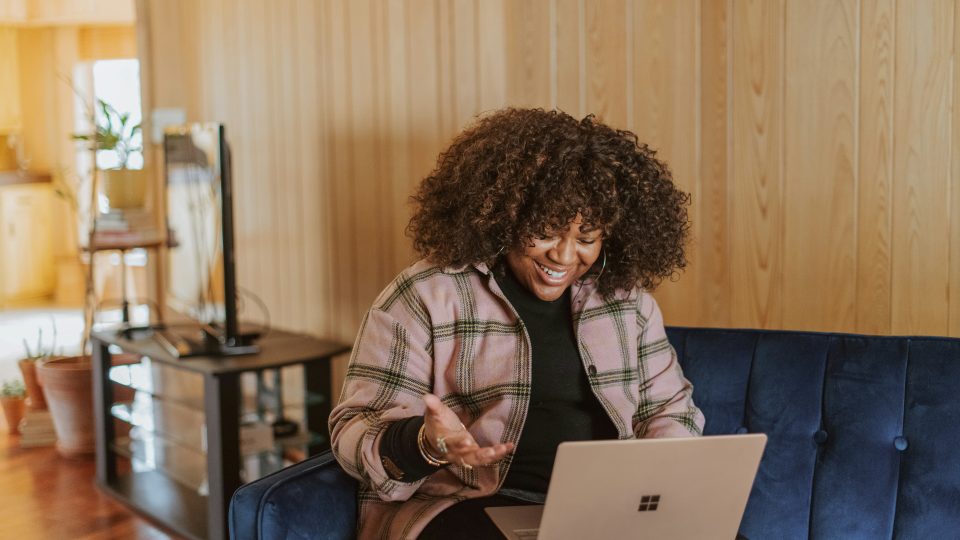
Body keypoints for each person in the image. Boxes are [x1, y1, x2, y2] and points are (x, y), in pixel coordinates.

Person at [329, 108, 704, 539]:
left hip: (602, 510)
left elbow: (669, 409)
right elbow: (353, 428)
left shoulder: (627, 302)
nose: (564, 257)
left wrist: (655, 487)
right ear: (506, 216)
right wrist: (424, 443)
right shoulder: (426, 295)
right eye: (546, 231)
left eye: (586, 239)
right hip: (465, 504)